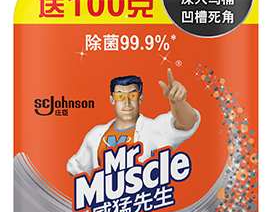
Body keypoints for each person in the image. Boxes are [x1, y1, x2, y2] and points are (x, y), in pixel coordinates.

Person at [67, 69, 200, 176]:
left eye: (132, 95)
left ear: (140, 98)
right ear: (112, 99)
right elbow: (75, 168)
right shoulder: (96, 134)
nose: (127, 102)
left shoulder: (153, 129)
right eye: (120, 96)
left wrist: (178, 103)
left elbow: (187, 123)